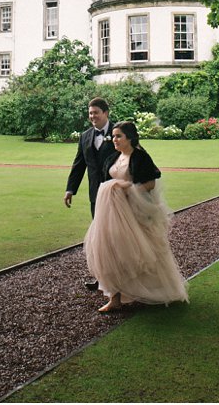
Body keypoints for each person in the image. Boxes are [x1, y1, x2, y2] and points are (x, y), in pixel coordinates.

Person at [83, 120, 189, 313]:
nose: (114, 139)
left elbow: (150, 184)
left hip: (135, 214)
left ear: (129, 138)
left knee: (142, 253)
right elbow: (105, 180)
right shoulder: (113, 157)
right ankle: (114, 297)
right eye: (113, 136)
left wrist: (127, 190)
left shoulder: (140, 157)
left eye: (118, 136)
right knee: (112, 252)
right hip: (112, 214)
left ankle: (158, 290)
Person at [64, 97, 119, 290]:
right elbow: (79, 165)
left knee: (117, 236)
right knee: (100, 237)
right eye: (90, 113)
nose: (92, 116)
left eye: (96, 112)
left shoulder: (118, 133)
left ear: (106, 113)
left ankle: (121, 277)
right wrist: (70, 189)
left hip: (117, 194)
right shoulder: (85, 136)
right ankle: (101, 277)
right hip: (95, 195)